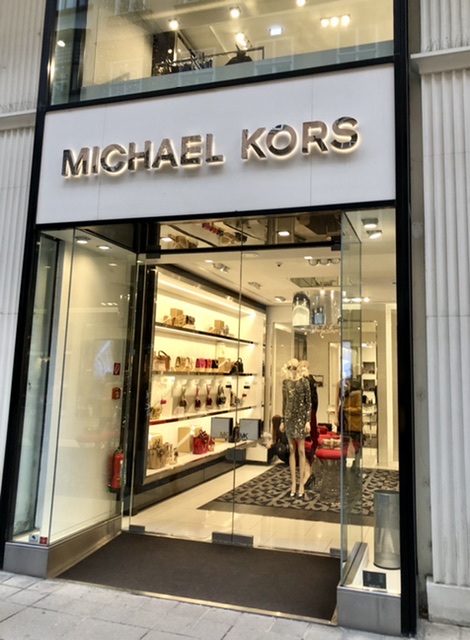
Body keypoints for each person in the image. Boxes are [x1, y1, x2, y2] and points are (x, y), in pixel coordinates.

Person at [280, 358, 311, 498]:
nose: (292, 370)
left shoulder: (304, 382)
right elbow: (284, 402)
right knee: (291, 449)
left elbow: (308, 403)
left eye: (294, 367)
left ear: (298, 368)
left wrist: (307, 421)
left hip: (300, 418)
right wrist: (283, 420)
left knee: (301, 450)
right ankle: (293, 482)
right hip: (289, 418)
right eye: (290, 368)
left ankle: (301, 484)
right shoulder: (286, 383)